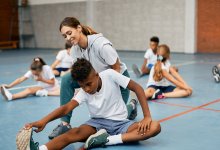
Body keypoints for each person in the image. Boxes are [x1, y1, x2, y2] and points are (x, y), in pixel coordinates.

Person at [17, 58, 161, 150]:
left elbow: (137, 88)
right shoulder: (84, 91)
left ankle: (107, 140)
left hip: (121, 123)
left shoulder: (110, 75)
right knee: (72, 133)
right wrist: (43, 121)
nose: (87, 89)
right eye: (82, 85)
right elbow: (66, 108)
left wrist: (147, 116)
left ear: (97, 75)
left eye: (88, 84)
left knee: (154, 127)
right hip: (96, 124)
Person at [48, 17, 138, 139]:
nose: (68, 38)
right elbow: (79, 75)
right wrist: (81, 92)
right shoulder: (75, 50)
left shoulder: (101, 44)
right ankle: (65, 124)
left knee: (114, 117)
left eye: (69, 33)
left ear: (79, 28)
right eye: (64, 36)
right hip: (95, 81)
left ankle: (132, 105)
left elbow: (116, 70)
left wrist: (105, 94)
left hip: (118, 82)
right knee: (66, 79)